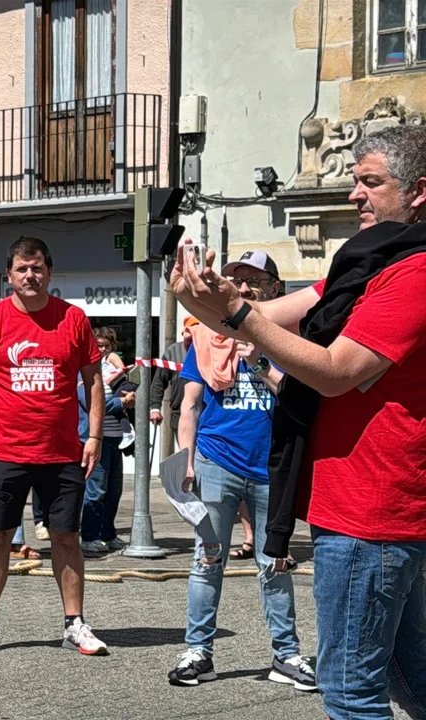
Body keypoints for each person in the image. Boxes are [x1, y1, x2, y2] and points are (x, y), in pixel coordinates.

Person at [172, 124, 426, 718]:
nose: (355, 195)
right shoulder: (365, 266)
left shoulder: (413, 274)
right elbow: (256, 315)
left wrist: (235, 313)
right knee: (408, 675)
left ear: (419, 191)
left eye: (370, 182)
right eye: (354, 181)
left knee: (350, 691)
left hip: (374, 512)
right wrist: (196, 293)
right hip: (365, 509)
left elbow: (337, 371)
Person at [166, 251, 318, 691]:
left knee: (275, 564)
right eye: (238, 280)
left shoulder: (292, 339)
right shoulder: (208, 336)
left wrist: (260, 364)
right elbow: (190, 405)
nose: (246, 288)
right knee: (207, 558)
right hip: (216, 462)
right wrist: (185, 459)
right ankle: (199, 652)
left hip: (272, 468)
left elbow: (300, 399)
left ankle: (286, 655)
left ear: (275, 288)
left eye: (255, 280)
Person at [0, 236, 109, 657]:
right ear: (9, 275)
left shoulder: (72, 319)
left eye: (37, 268)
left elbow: (94, 380)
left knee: (66, 537)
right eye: (22, 269)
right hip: (4, 450)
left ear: (49, 273)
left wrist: (94, 436)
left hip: (61, 451)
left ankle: (74, 623)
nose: (30, 275)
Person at [80, 327, 129, 555]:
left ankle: (108, 534)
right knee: (96, 491)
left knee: (113, 490)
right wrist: (122, 403)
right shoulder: (84, 371)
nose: (101, 350)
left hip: (115, 438)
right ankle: (90, 536)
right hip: (97, 439)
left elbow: (128, 385)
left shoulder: (111, 369)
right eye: (97, 345)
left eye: (105, 346)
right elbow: (91, 404)